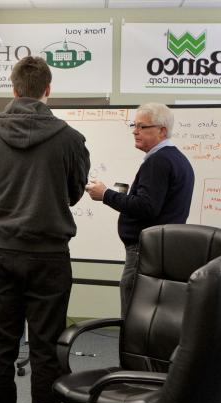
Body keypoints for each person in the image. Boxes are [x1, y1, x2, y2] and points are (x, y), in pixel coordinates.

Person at [0, 56, 90, 403]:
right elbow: (73, 193)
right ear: (48, 90)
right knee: (47, 351)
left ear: (14, 89)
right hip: (49, 257)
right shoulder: (71, 138)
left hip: (3, 253)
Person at [86, 103, 194, 316]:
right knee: (150, 318)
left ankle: (130, 351)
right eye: (134, 125)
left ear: (162, 130)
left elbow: (146, 207)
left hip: (144, 252)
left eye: (142, 127)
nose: (135, 131)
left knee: (134, 316)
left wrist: (105, 194)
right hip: (160, 249)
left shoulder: (159, 161)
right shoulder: (176, 159)